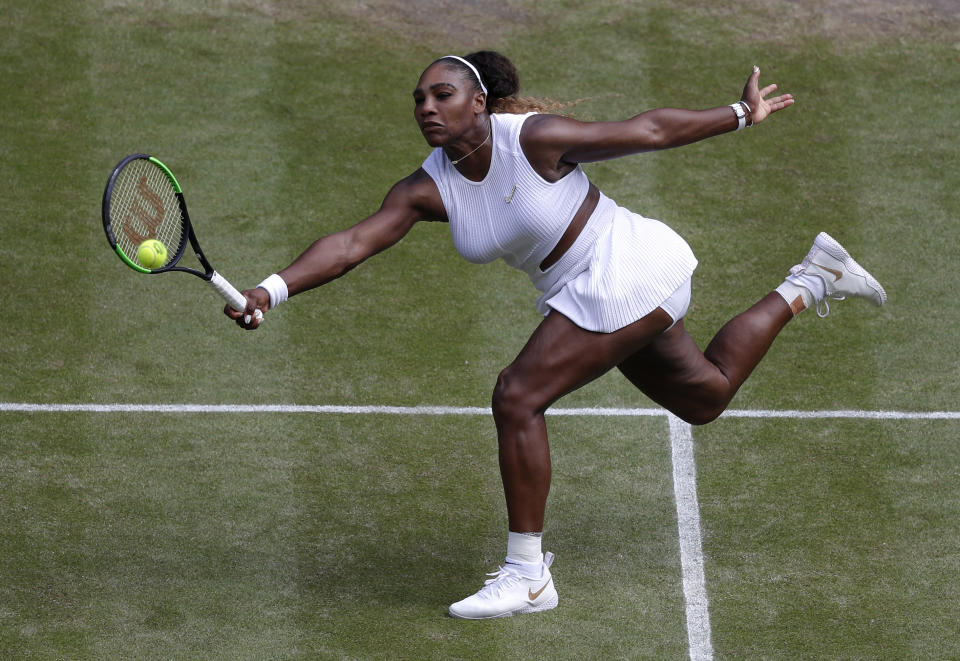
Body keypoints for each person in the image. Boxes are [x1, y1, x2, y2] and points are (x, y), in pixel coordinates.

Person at [226, 51, 886, 619]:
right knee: (704, 396)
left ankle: (528, 574)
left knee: (517, 394)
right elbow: (351, 243)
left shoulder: (531, 138)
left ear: (479, 102)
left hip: (624, 265)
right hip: (586, 293)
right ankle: (813, 277)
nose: (427, 106)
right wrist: (270, 289)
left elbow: (647, 130)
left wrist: (740, 114)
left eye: (442, 94)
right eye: (419, 99)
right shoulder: (428, 187)